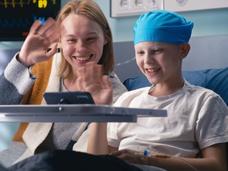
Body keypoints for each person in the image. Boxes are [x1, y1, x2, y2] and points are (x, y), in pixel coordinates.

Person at [86, 10, 228, 171]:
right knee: (53, 160)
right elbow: (96, 164)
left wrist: (147, 159)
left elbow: (217, 166)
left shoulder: (204, 102)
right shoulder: (127, 100)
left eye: (156, 51)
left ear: (183, 50)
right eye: (140, 52)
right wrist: (100, 109)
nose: (146, 61)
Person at [0, 0, 127, 167]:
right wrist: (23, 61)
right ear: (60, 40)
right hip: (19, 155)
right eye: (71, 40)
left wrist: (99, 111)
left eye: (90, 39)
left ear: (106, 38)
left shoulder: (115, 94)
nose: (81, 49)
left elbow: (93, 162)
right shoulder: (44, 64)